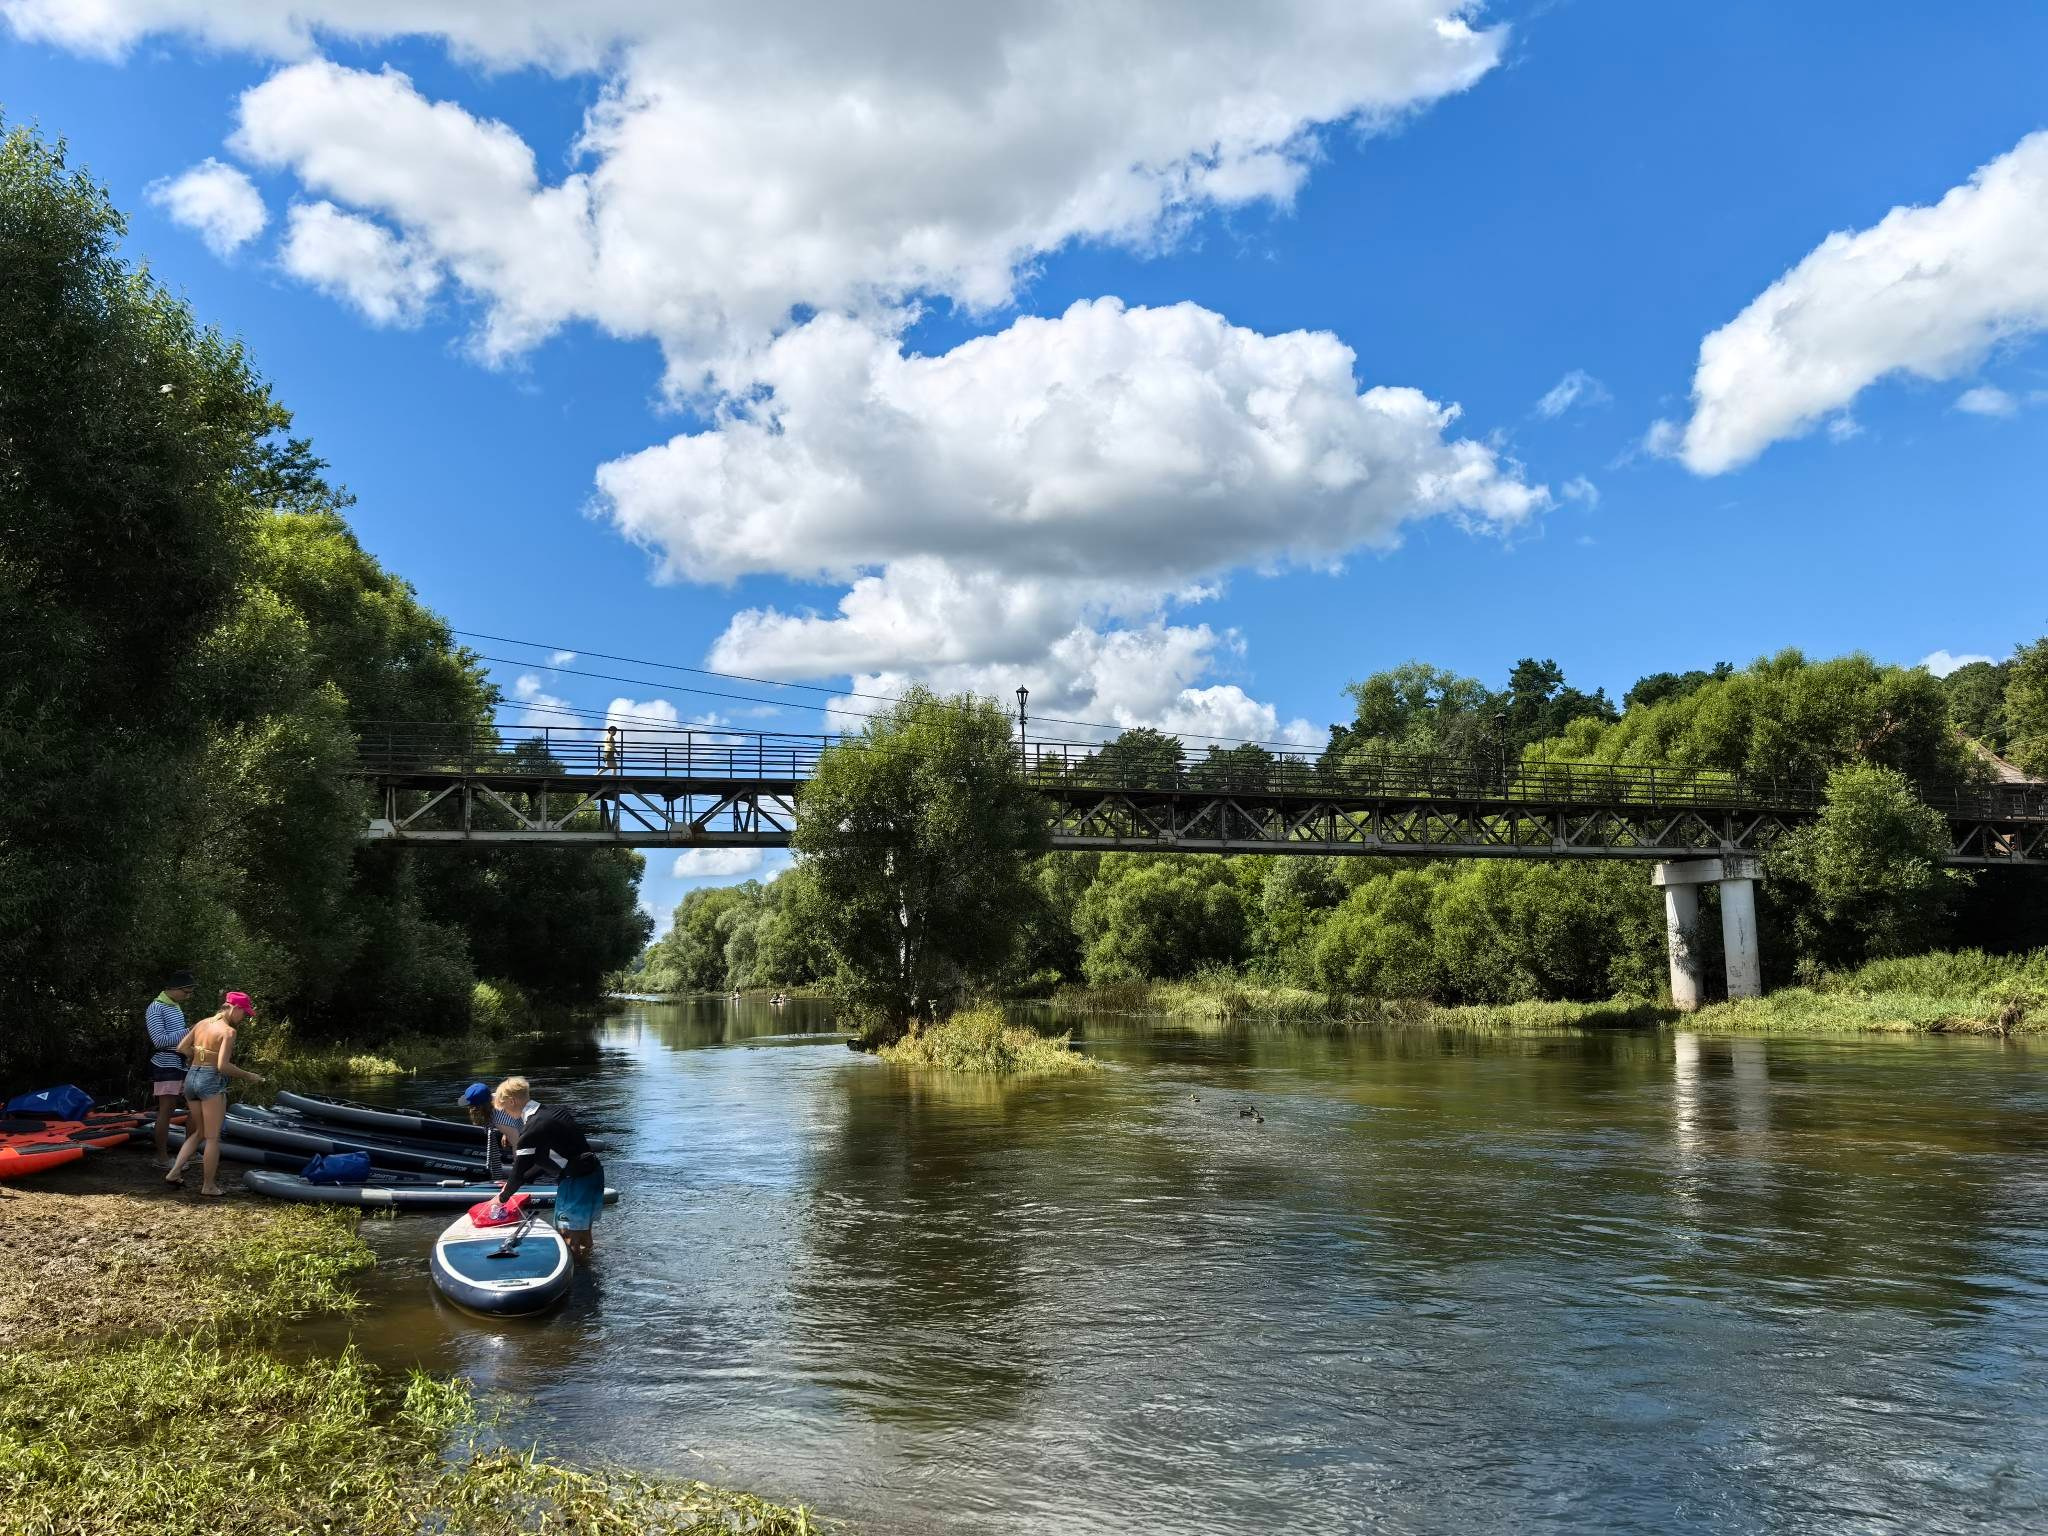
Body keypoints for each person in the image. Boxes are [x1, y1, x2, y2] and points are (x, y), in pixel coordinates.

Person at [489, 1076, 604, 1263]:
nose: (506, 1113)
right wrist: (517, 1182)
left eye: (504, 1108)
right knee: (583, 1234)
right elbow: (547, 1161)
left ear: (512, 1101)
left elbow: (518, 1172)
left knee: (567, 1236)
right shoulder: (554, 1112)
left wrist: (501, 1197)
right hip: (593, 1173)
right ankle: (588, 1271)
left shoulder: (531, 1129)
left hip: (576, 1181)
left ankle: (576, 1280)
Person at [164, 991, 266, 1196]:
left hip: (191, 1078)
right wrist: (249, 1075)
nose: (243, 1018)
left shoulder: (202, 1023)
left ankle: (174, 1172)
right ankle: (208, 1186)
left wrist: (199, 1057)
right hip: (211, 1081)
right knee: (212, 1138)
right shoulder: (228, 1032)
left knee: (199, 1132)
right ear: (234, 1008)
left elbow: (182, 1047)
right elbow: (223, 1066)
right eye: (243, 1013)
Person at [145, 970, 196, 1167]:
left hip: (180, 1062)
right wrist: (191, 1030)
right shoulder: (156, 1008)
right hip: (166, 1063)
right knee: (166, 1110)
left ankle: (189, 1153)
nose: (188, 996)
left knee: (194, 1107)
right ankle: (162, 1158)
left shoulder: (174, 1006)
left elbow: (178, 1038)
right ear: (173, 989)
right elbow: (159, 1041)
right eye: (186, 992)